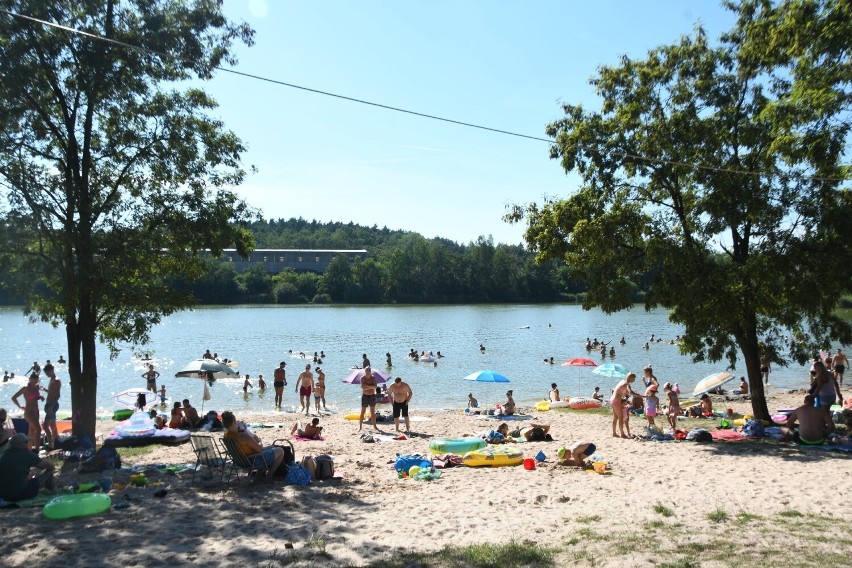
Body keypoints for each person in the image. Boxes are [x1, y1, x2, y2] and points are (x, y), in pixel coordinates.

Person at [222, 411, 284, 483]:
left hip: (240, 461)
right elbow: (259, 448)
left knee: (272, 447)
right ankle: (269, 476)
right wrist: (259, 441)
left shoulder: (226, 437)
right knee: (280, 451)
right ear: (233, 422)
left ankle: (258, 477)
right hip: (252, 460)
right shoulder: (243, 437)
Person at [0, 434, 55, 501]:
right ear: (18, 444)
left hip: (3, 495)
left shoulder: (5, 454)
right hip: (19, 494)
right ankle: (51, 489)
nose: (28, 444)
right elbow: (50, 466)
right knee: (50, 469)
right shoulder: (27, 454)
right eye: (26, 442)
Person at [11, 373, 44, 450]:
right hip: (29, 411)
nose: (34, 383)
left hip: (36, 411)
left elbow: (35, 397)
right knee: (38, 429)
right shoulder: (25, 389)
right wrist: (19, 406)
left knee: (31, 432)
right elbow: (14, 398)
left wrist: (40, 397)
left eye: (36, 381)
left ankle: (28, 450)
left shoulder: (37, 387)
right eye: (33, 381)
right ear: (29, 380)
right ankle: (37, 450)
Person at [610, 372, 642, 438]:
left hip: (612, 400)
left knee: (615, 417)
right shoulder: (627, 384)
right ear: (630, 378)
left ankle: (614, 433)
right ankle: (622, 434)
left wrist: (627, 395)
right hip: (616, 401)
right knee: (620, 418)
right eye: (633, 379)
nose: (634, 380)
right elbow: (631, 392)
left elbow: (624, 392)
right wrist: (642, 396)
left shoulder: (622, 381)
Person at [41, 363, 61, 450]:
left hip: (52, 405)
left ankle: (50, 445)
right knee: (53, 426)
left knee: (45, 426)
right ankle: (57, 442)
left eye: (47, 373)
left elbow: (57, 395)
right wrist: (44, 389)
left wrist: (51, 407)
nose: (47, 375)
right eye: (46, 373)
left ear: (51, 370)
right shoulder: (52, 379)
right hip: (49, 404)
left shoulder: (56, 380)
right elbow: (51, 392)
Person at [358, 366, 379, 431]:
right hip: (365, 396)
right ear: (365, 371)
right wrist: (370, 387)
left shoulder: (373, 378)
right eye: (367, 370)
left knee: (372, 411)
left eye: (369, 370)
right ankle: (360, 426)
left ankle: (375, 426)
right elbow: (362, 387)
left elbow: (375, 387)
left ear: (370, 371)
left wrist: (367, 386)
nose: (368, 372)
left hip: (372, 396)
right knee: (363, 411)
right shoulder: (362, 378)